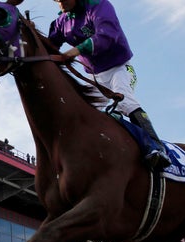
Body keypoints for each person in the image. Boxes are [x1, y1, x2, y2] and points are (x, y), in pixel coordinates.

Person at [48, 0, 171, 170]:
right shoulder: (62, 22)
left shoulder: (99, 5)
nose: (60, 3)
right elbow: (49, 47)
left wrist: (75, 51)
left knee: (125, 103)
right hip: (94, 77)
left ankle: (156, 147)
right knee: (88, 114)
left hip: (120, 68)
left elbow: (107, 35)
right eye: (56, 0)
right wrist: (31, 31)